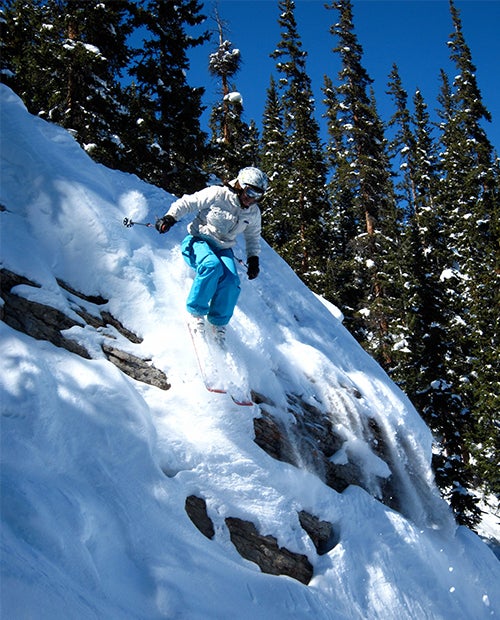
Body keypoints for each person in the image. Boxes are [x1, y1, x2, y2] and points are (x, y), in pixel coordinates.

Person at [155, 166, 268, 346]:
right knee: (211, 266)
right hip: (198, 241)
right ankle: (195, 314)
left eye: (258, 195)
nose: (252, 198)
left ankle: (217, 324)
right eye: (250, 191)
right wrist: (170, 217)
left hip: (223, 248)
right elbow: (188, 202)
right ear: (240, 185)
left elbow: (253, 237)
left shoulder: (253, 212)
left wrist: (253, 259)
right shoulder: (217, 194)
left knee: (231, 281)